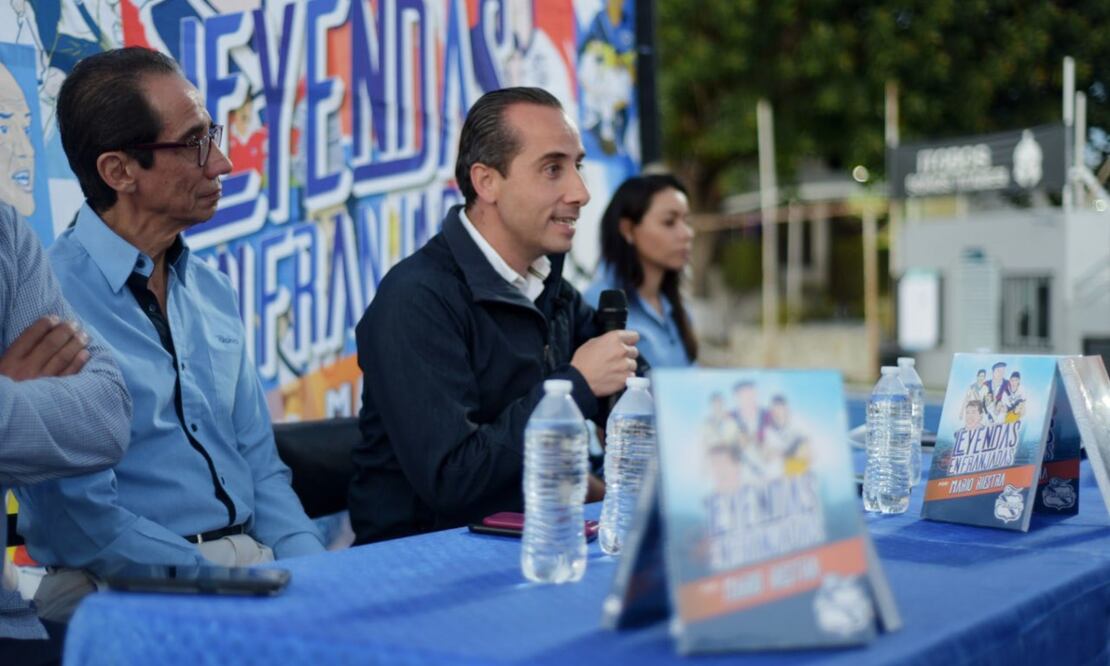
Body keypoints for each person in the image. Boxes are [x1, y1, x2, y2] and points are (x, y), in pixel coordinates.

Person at [16, 47, 324, 623]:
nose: (222, 163)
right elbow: (80, 523)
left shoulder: (211, 290)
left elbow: (260, 467)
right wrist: (223, 584)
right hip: (125, 592)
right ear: (119, 172)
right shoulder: (46, 305)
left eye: (212, 135)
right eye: (194, 144)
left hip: (247, 570)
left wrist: (319, 576)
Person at [349, 87, 639, 544]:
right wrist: (576, 387)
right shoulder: (416, 299)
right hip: (424, 564)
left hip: (537, 540)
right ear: (486, 182)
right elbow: (452, 480)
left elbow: (624, 378)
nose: (580, 193)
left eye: (577, 166)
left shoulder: (547, 283)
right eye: (553, 169)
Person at [0, 204, 131, 665]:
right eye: (196, 162)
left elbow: (108, 417)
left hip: (12, 625)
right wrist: (15, 391)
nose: (221, 169)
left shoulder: (5, 231)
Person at [584, 173, 696, 368]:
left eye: (686, 221)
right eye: (669, 222)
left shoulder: (678, 307)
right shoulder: (600, 303)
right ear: (628, 229)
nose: (687, 233)